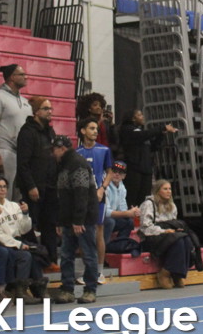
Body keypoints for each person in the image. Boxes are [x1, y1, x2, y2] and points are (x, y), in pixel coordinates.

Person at [50, 135, 100, 304]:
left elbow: (81, 194)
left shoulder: (77, 164)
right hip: (69, 218)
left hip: (83, 219)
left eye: (54, 150)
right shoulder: (62, 165)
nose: (52, 153)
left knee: (88, 254)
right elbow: (62, 198)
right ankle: (67, 289)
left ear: (62, 148)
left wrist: (79, 220)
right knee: (66, 255)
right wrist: (61, 221)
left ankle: (90, 290)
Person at [0, 176, 46, 302]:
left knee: (36, 254)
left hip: (18, 239)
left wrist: (25, 214)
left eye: (4, 187)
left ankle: (39, 289)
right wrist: (18, 245)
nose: (2, 190)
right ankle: (20, 291)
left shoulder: (14, 205)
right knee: (25, 256)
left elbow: (24, 229)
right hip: (2, 244)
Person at [15, 97, 58, 263]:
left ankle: (51, 259)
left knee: (50, 224)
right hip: (34, 187)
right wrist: (31, 186)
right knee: (30, 225)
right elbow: (23, 163)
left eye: (51, 108)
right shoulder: (27, 132)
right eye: (46, 109)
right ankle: (34, 259)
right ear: (36, 112)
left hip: (50, 186)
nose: (50, 112)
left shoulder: (50, 132)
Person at [139, 180, 198, 290]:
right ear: (157, 191)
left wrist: (175, 229)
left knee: (186, 239)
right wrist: (164, 231)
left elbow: (173, 222)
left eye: (170, 189)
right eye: (165, 189)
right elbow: (145, 227)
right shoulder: (148, 204)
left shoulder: (172, 205)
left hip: (169, 236)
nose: (169, 191)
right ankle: (165, 273)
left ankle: (177, 274)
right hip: (151, 237)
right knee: (178, 240)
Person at [77, 117, 114, 280]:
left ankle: (99, 271)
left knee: (99, 230)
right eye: (91, 128)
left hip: (98, 196)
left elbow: (110, 172)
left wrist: (102, 188)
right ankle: (87, 270)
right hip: (81, 197)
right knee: (83, 232)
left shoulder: (104, 150)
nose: (95, 132)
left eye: (96, 129)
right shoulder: (77, 152)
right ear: (83, 131)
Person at [118, 109, 178, 207]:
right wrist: (162, 128)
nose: (143, 117)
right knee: (132, 199)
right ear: (133, 118)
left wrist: (161, 134)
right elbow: (143, 135)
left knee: (144, 200)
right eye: (139, 115)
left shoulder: (141, 132)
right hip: (134, 170)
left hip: (146, 169)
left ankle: (142, 216)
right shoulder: (126, 129)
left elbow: (153, 147)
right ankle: (129, 216)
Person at [0, 63, 31, 184]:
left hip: (21, 154)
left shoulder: (25, 101)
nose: (26, 77)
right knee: (4, 191)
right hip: (5, 151)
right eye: (22, 74)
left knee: (19, 193)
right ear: (12, 77)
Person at [103, 162, 140, 252]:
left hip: (112, 217)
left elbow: (123, 209)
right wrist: (127, 213)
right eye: (114, 171)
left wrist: (132, 212)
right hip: (100, 218)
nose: (117, 174)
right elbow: (106, 212)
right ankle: (104, 250)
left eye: (120, 173)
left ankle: (119, 247)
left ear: (124, 176)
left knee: (129, 222)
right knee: (110, 222)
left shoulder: (122, 188)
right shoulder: (104, 186)